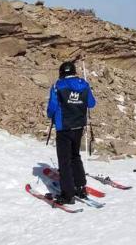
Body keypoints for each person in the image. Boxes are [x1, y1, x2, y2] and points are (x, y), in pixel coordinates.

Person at [46, 60, 96, 204]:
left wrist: (50, 115)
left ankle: (68, 194)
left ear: (61, 73)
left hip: (64, 127)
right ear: (74, 71)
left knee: (64, 161)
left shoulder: (58, 86)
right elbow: (91, 103)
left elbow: (52, 108)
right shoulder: (84, 85)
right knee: (75, 155)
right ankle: (80, 187)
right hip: (79, 126)